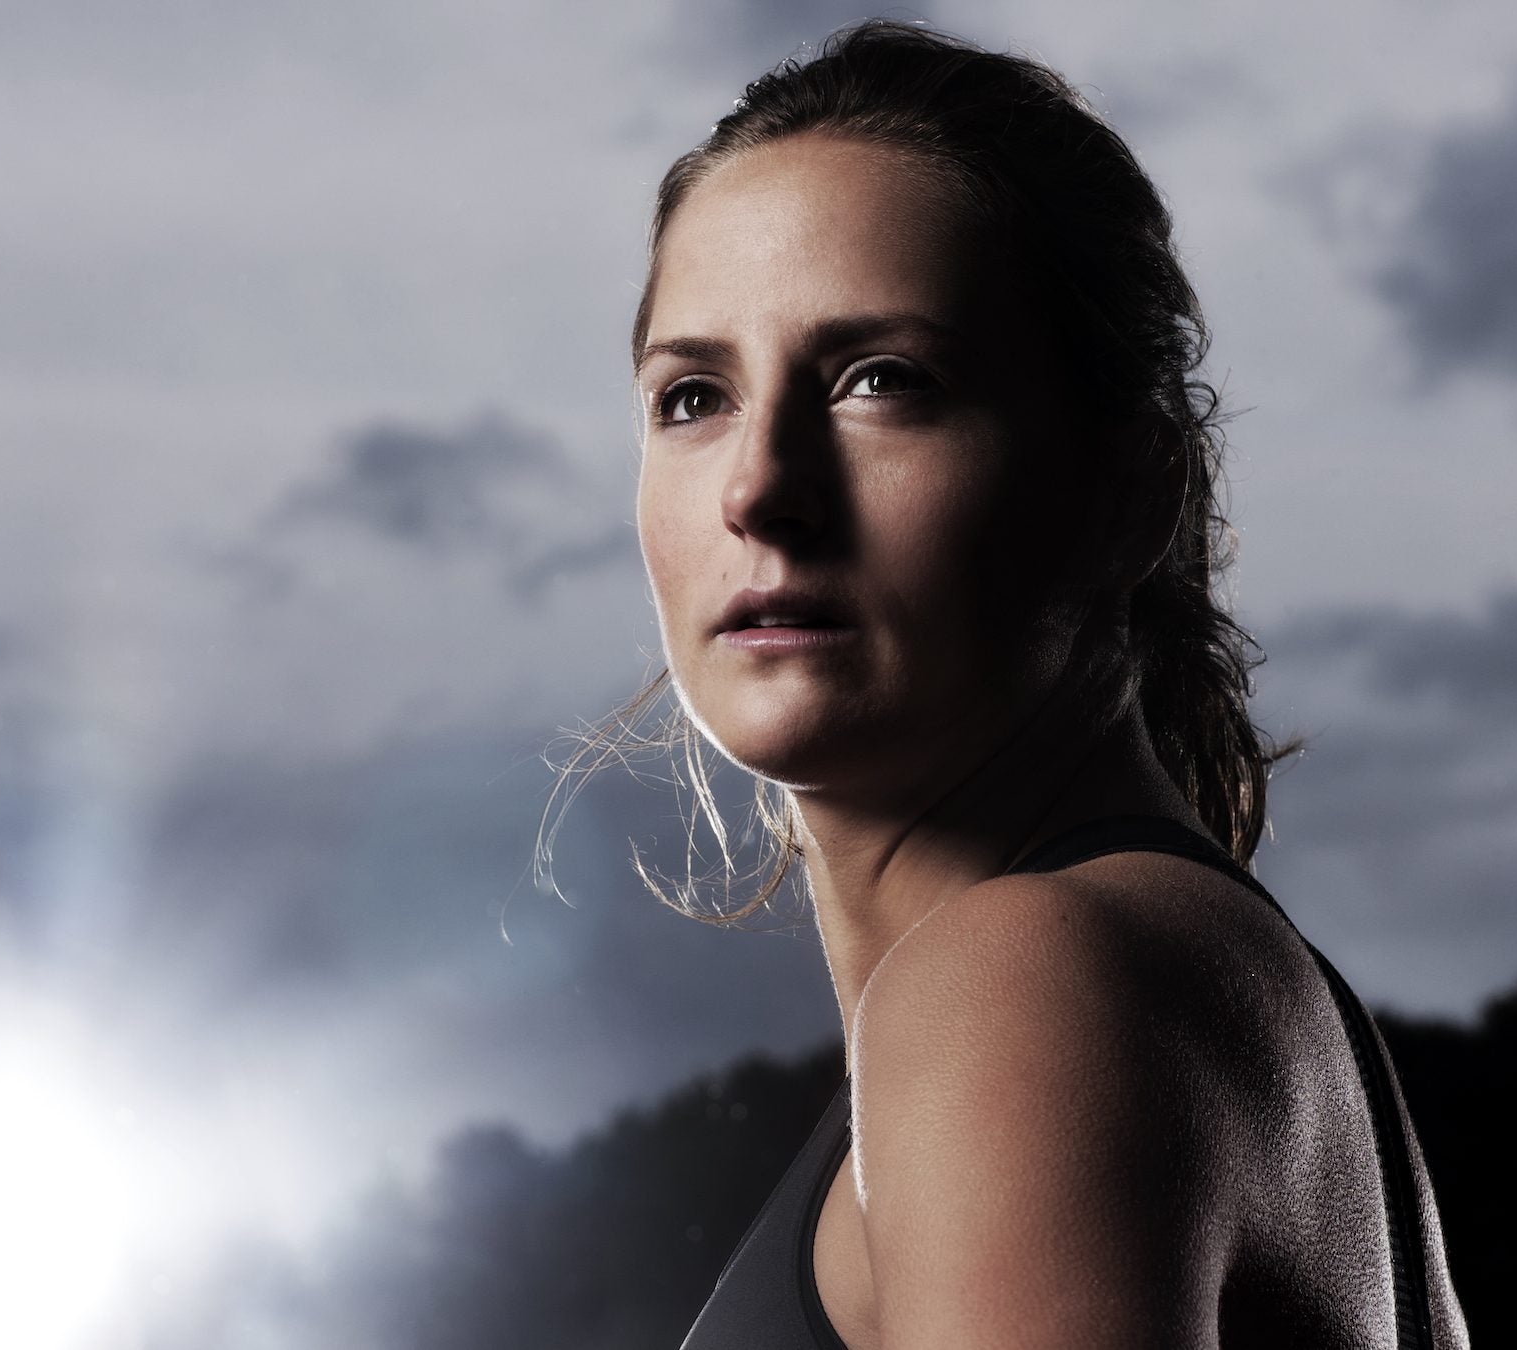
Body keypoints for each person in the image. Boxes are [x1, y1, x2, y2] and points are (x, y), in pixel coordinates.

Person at [586, 19, 1469, 1348]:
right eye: (692, 398)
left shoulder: (1029, 983)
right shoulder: (1184, 980)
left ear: (1131, 492)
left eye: (884, 381)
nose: (759, 487)